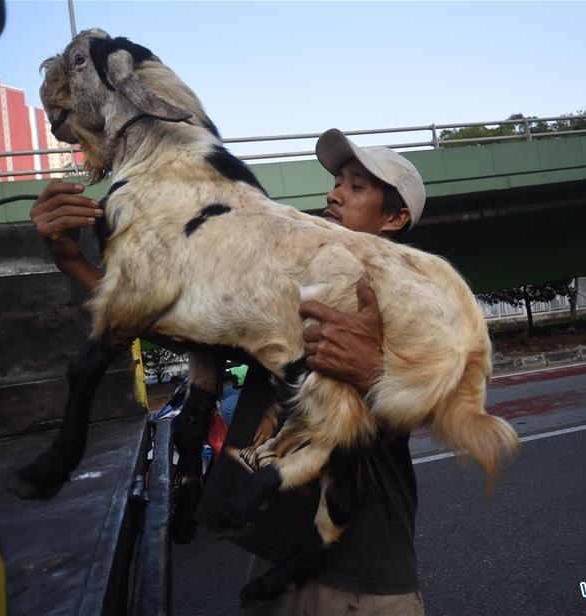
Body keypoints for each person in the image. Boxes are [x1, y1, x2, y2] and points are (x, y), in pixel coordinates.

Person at [30, 129, 427, 614]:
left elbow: (439, 401)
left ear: (395, 218)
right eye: (338, 180)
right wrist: (72, 261)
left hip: (364, 581)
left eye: (357, 186)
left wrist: (370, 371)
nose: (334, 192)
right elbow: (184, 331)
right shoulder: (295, 286)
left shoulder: (408, 296)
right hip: (276, 562)